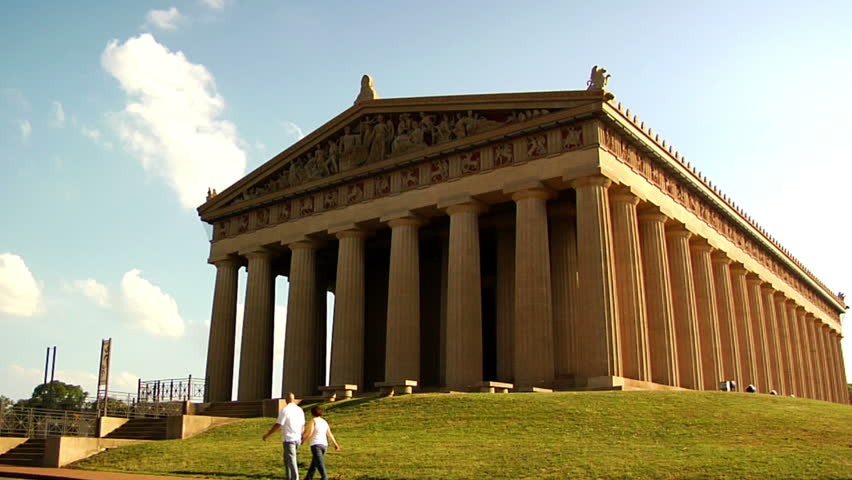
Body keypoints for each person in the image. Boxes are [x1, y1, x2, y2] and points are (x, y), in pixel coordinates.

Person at [263, 393, 306, 480]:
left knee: (291, 459)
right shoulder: (300, 410)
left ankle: (295, 478)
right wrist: (301, 435)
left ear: (286, 400)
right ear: (293, 399)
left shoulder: (285, 410)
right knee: (287, 459)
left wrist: (268, 434)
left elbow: (278, 424)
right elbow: (303, 426)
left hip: (289, 439)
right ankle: (289, 477)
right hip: (297, 438)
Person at [302, 406, 340, 480]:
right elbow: (329, 434)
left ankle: (324, 477)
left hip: (316, 444)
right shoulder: (324, 422)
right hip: (324, 445)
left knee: (320, 464)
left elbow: (310, 432)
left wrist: (303, 439)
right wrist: (335, 444)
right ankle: (308, 478)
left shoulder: (313, 421)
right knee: (315, 463)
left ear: (312, 413)